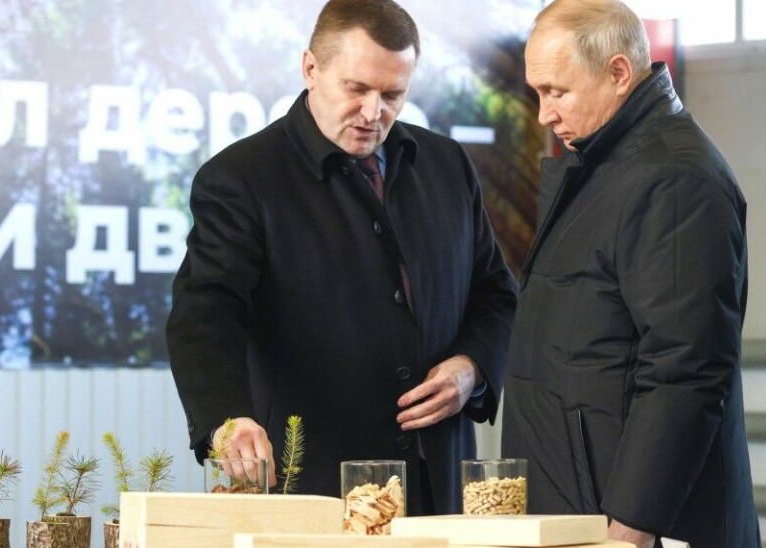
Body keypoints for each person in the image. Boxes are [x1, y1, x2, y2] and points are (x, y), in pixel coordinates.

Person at [166, 0, 518, 515]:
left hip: (440, 489)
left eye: (393, 94)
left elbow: (495, 294)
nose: (374, 113)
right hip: (314, 493)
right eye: (357, 89)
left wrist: (471, 368)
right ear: (310, 68)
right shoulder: (241, 178)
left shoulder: (448, 165)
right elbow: (204, 313)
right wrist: (228, 419)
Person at [500, 1, 760, 546]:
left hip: (627, 528)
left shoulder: (675, 178)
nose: (544, 112)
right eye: (538, 92)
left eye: (557, 92)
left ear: (619, 73)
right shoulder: (603, 165)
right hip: (578, 513)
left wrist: (632, 528)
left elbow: (686, 367)